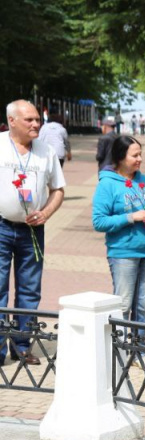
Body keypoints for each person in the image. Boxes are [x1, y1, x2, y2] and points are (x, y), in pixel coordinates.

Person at [1, 100, 66, 367]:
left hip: (32, 231)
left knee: (29, 290)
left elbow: (58, 190)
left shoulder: (46, 151)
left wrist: (46, 213)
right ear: (12, 121)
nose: (36, 124)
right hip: (2, 227)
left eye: (37, 119)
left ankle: (22, 346)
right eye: (29, 120)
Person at [92, 135, 145, 364]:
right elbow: (99, 221)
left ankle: (139, 349)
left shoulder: (144, 181)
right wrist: (130, 217)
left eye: (140, 154)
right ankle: (121, 351)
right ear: (120, 157)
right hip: (123, 252)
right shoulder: (107, 184)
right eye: (135, 155)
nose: (140, 159)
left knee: (142, 304)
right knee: (123, 304)